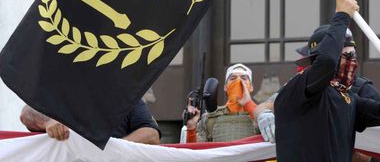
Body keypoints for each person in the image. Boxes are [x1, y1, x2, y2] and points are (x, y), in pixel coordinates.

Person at [273, 0, 380, 162]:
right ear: (317, 60)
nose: (351, 62)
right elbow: (327, 63)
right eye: (345, 56)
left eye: (353, 55)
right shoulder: (298, 87)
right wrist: (342, 15)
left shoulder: (347, 97)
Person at [20, 100, 161, 145]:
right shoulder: (61, 92)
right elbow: (27, 113)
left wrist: (109, 153)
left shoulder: (128, 97)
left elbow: (152, 135)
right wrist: (48, 122)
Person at [186, 63, 258, 142]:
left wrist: (249, 105)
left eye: (244, 78)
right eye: (233, 78)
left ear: (251, 87)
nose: (238, 81)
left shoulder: (261, 116)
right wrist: (191, 127)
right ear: (225, 87)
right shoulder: (210, 119)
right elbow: (195, 151)